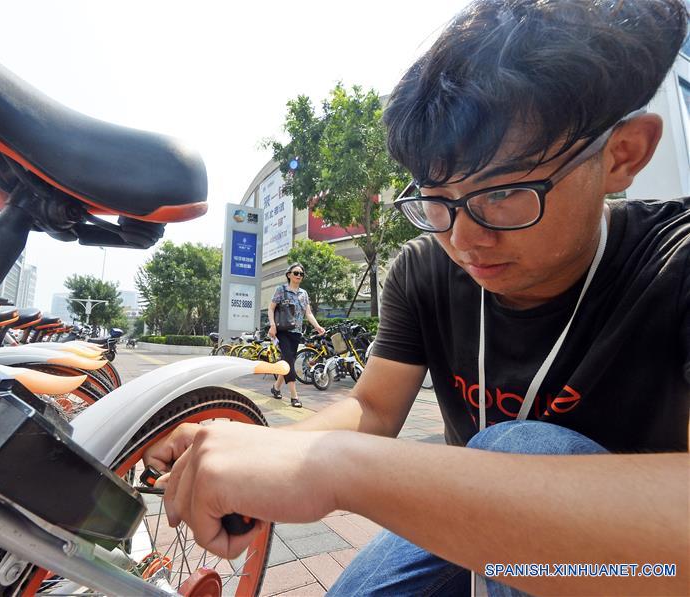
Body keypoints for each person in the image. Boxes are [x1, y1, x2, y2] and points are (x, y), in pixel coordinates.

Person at [147, 0, 690, 594]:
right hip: (474, 530)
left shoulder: (675, 262)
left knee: (526, 446)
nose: (464, 238)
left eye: (505, 192)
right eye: (436, 200)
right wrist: (257, 451)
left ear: (623, 153)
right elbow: (375, 410)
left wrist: (340, 471)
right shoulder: (425, 269)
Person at [267, 263, 326, 408]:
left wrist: (317, 326)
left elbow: (308, 313)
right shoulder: (281, 290)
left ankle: (276, 388)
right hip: (282, 331)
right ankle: (294, 396)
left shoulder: (303, 294)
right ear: (289, 275)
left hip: (296, 333)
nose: (299, 276)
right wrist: (273, 325)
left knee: (288, 362)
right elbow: (271, 308)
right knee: (288, 360)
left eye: (301, 274)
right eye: (296, 273)